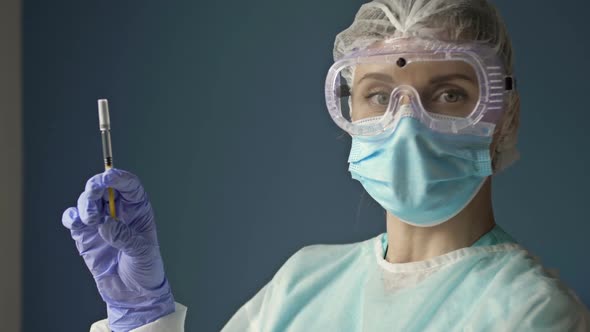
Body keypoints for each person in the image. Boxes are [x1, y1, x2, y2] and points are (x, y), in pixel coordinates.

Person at [62, 0, 590, 331]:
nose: (407, 124)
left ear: (506, 115)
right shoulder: (304, 281)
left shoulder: (530, 313)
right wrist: (143, 318)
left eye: (450, 94)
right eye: (379, 96)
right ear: (350, 113)